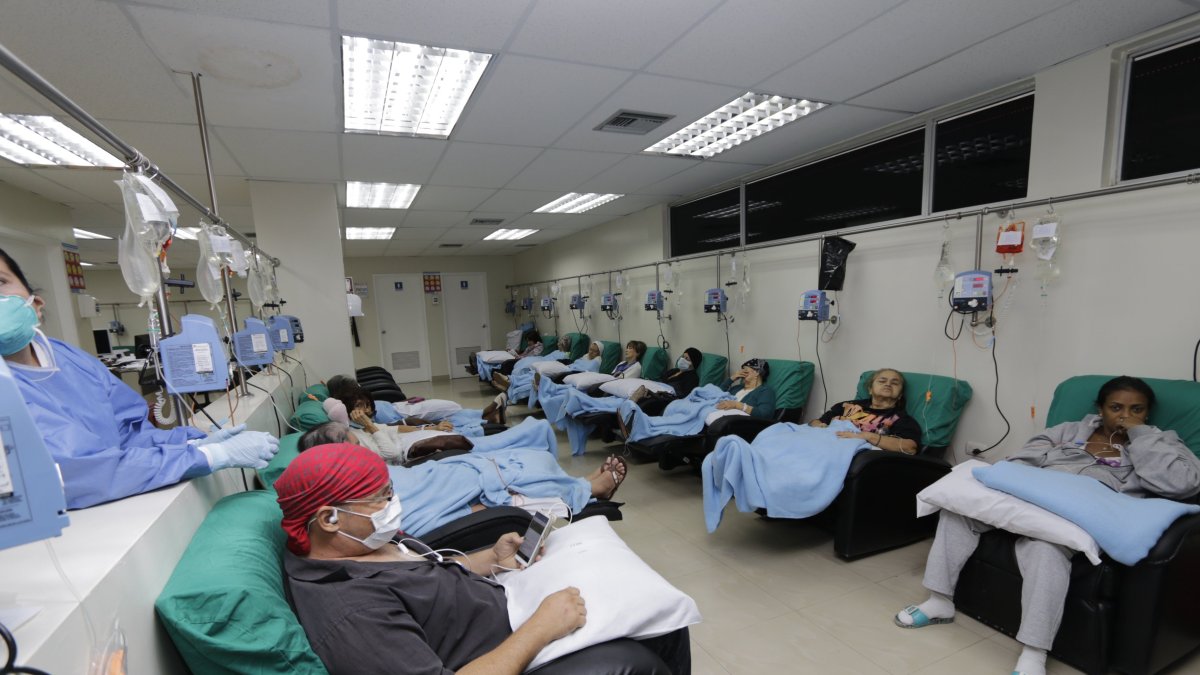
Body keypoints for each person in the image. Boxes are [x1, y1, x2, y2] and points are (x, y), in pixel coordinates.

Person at [277, 443, 690, 675]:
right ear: (329, 519)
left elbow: (424, 578)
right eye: (381, 498)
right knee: (640, 655)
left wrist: (489, 558)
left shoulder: (364, 544)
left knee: (655, 609)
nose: (392, 504)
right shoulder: (351, 612)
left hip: (510, 605)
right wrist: (543, 626)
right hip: (510, 649)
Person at [895, 376, 1200, 675]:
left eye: (1137, 409)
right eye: (1116, 407)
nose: (1125, 416)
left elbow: (1182, 484)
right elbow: (1021, 459)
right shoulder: (1069, 430)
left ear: (1147, 413)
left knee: (1046, 549)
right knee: (958, 513)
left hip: (1083, 511)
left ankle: (1034, 653)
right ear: (1101, 408)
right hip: (1035, 497)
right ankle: (939, 601)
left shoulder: (1162, 442)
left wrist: (1141, 435)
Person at [1, 249, 278, 509]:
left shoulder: (68, 357)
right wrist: (209, 456)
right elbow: (76, 474)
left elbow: (129, 431)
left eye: (1, 282)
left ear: (36, 304)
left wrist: (189, 443)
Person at [298, 421, 627, 533]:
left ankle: (580, 482)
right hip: (472, 492)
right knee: (529, 477)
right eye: (356, 448)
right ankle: (588, 489)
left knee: (531, 457)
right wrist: (479, 508)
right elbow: (427, 514)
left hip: (456, 472)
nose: (365, 452)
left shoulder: (371, 476)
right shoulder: (365, 508)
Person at [810, 368, 922, 454]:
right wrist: (819, 426)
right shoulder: (848, 406)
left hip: (847, 453)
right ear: (870, 389)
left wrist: (867, 436)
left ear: (900, 395)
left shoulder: (901, 419)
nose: (888, 384)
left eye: (895, 383)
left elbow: (910, 447)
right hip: (823, 443)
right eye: (882, 381)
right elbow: (815, 422)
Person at [629, 347, 703, 415]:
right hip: (657, 392)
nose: (683, 359)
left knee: (643, 404)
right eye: (683, 357)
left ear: (693, 363)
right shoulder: (674, 371)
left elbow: (685, 396)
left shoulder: (692, 377)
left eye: (687, 359)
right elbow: (661, 380)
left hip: (667, 399)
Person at [711, 358, 776, 420]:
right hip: (717, 415)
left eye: (745, 371)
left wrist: (737, 405)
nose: (741, 373)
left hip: (739, 423)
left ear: (757, 372)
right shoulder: (736, 388)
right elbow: (717, 394)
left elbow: (765, 414)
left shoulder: (765, 391)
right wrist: (731, 378)